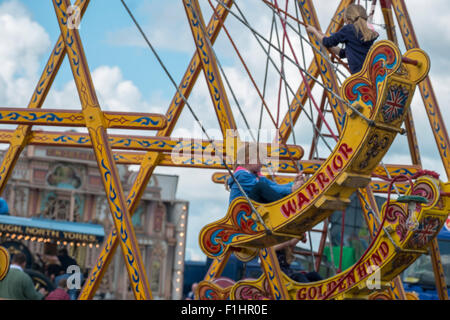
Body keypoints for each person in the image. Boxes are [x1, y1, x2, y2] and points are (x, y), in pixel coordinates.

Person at [306, 4, 379, 74]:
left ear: (348, 20)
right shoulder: (368, 34)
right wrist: (323, 36)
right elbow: (342, 53)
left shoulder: (348, 29)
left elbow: (327, 42)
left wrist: (314, 31)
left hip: (358, 77)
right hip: (370, 73)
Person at [227, 143, 306, 204]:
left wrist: (293, 184)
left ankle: (288, 202)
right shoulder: (242, 175)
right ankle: (285, 205)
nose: (263, 163)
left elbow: (274, 186)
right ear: (249, 161)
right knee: (260, 187)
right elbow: (270, 188)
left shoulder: (257, 176)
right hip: (243, 212)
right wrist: (290, 190)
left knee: (265, 187)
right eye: (260, 160)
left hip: (253, 206)